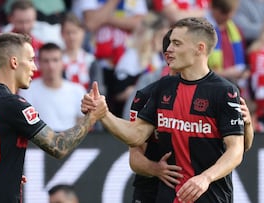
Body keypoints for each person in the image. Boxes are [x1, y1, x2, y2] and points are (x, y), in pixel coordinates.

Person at [82, 17, 245, 202]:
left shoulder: (224, 91)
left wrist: (205, 178)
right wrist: (103, 114)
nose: (168, 49)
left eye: (176, 43)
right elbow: (136, 134)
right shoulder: (163, 88)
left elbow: (236, 150)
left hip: (210, 197)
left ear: (200, 48)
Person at [0, 32, 107, 202]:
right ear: (14, 62)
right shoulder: (13, 104)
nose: (35, 67)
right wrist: (91, 118)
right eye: (31, 60)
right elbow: (58, 146)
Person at [128, 28, 254, 203]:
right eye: (172, 46)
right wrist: (156, 169)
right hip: (151, 187)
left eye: (177, 44)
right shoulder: (148, 94)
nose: (172, 50)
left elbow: (241, 146)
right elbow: (133, 150)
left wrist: (246, 125)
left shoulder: (219, 91)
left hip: (200, 188)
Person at [19, 42, 86, 132]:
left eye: (55, 60)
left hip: (70, 143)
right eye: (46, 61)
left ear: (62, 63)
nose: (51, 66)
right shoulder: (27, 90)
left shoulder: (78, 91)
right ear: (39, 64)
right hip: (37, 144)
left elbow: (83, 124)